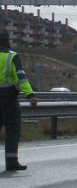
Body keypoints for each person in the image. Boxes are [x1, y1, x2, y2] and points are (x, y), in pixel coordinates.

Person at [0, 31, 37, 171]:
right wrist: (30, 95)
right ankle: (11, 161)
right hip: (8, 98)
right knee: (12, 129)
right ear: (7, 41)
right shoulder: (12, 56)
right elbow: (22, 77)